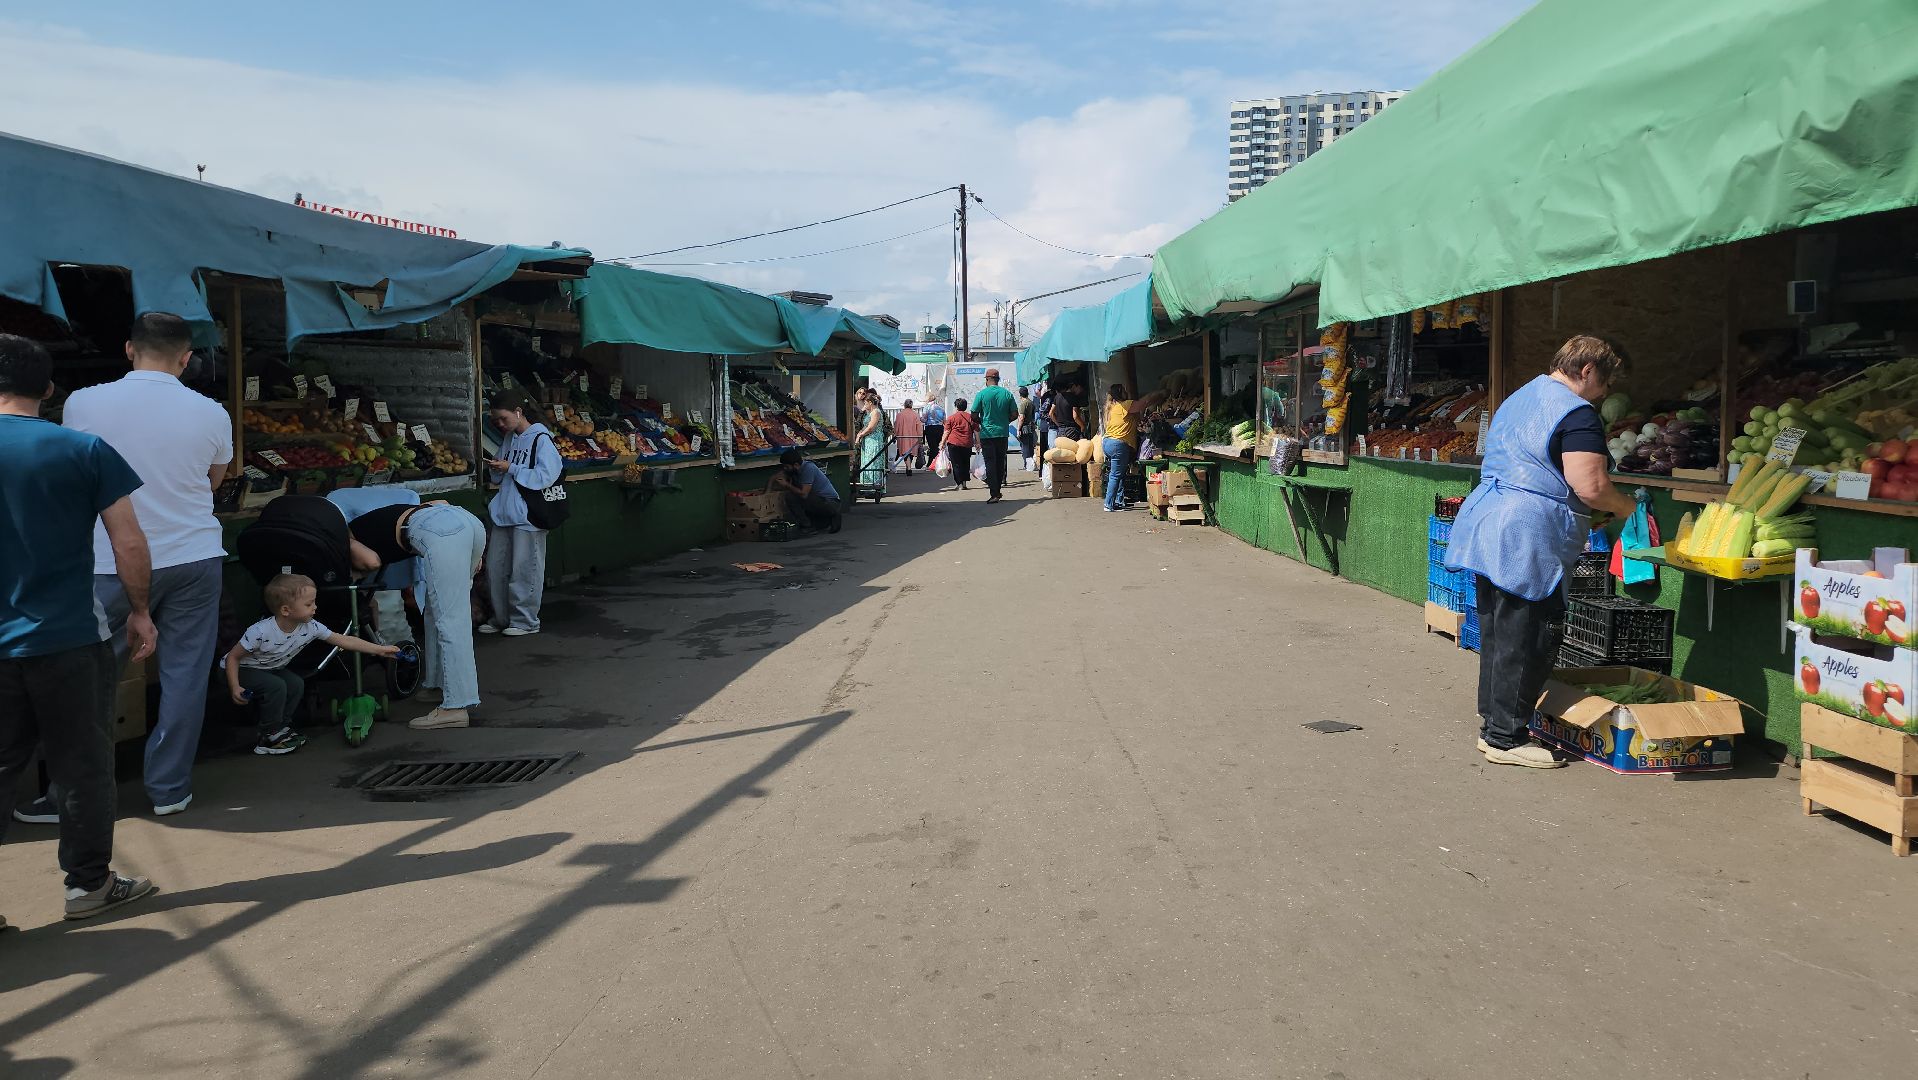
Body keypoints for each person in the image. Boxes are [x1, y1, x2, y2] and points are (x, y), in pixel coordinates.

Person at [0, 333, 159, 921]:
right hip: (69, 637)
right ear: (47, 389)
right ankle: (88, 886)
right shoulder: (84, 449)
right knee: (82, 765)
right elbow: (128, 539)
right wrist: (139, 610)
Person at [61, 312, 232, 817]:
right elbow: (215, 480)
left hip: (109, 560)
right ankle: (169, 788)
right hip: (194, 558)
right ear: (185, 359)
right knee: (185, 676)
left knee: (88, 678)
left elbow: (77, 472)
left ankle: (72, 796)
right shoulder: (211, 412)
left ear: (129, 349)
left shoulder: (81, 402)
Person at [1445, 335, 1641, 769]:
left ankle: (1493, 725)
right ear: (1588, 371)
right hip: (1527, 534)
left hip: (1489, 522)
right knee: (1529, 636)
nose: (1605, 393)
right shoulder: (1578, 413)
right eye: (1605, 383)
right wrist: (1628, 507)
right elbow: (1590, 485)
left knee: (1499, 631)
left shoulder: (1520, 396)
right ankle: (1506, 738)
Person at [345, 499, 488, 730]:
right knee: (437, 609)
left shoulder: (347, 538)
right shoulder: (378, 516)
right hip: (464, 519)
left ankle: (455, 706)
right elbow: (440, 501)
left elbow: (371, 562)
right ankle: (436, 684)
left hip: (441, 530)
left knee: (450, 619)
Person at [224, 573, 399, 756]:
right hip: (240, 669)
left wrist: (380, 649)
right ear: (286, 610)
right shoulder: (260, 631)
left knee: (295, 684)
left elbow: (344, 640)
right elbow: (233, 658)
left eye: (314, 602)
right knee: (276, 686)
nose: (315, 607)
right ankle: (268, 736)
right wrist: (235, 686)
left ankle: (280, 728)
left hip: (269, 669)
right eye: (308, 604)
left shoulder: (311, 627)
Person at [482, 393, 564, 637]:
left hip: (529, 515)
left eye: (503, 418)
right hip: (504, 513)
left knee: (525, 571)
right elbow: (501, 474)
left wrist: (511, 468)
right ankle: (501, 617)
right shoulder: (509, 438)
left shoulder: (541, 439)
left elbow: (546, 476)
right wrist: (496, 467)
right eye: (495, 420)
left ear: (518, 412)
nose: (500, 424)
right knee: (495, 569)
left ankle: (526, 621)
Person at [1100, 383, 1169, 512]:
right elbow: (1143, 403)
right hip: (1118, 444)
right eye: (1125, 390)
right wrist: (1160, 393)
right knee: (1116, 475)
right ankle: (1108, 504)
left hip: (1108, 443)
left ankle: (1118, 501)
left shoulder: (1112, 407)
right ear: (1121, 393)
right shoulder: (1125, 404)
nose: (1127, 392)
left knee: (1118, 474)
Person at [971, 368, 1018, 503]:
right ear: (998, 380)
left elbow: (974, 415)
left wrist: (982, 421)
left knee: (990, 463)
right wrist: (1004, 421)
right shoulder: (1007, 394)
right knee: (1000, 461)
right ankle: (997, 491)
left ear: (987, 380)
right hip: (1002, 433)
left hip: (987, 434)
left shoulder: (981, 394)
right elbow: (1015, 414)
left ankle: (995, 493)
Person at [769, 447, 842, 532]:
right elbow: (774, 478)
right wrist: (767, 492)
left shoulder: (808, 468)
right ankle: (807, 524)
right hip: (816, 500)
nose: (785, 469)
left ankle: (833, 514)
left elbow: (804, 494)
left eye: (787, 467)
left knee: (795, 496)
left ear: (795, 465)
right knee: (791, 497)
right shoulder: (792, 470)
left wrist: (787, 485)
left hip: (830, 502)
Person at [853, 388, 890, 496]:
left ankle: (875, 487)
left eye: (865, 403)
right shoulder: (869, 412)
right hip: (868, 441)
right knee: (867, 462)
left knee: (873, 462)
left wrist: (860, 435)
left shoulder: (876, 412)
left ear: (870, 402)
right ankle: (867, 486)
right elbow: (864, 425)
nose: (864, 404)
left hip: (874, 440)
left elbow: (871, 427)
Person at [943, 398, 977, 490]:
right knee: (966, 463)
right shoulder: (971, 417)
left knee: (956, 464)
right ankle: (964, 483)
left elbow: (946, 432)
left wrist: (942, 443)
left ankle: (959, 484)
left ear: (956, 406)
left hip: (954, 443)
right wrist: (978, 443)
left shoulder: (951, 418)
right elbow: (977, 431)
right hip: (967, 443)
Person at [892, 399, 924, 474]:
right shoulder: (915, 414)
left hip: (903, 436)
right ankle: (908, 467)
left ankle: (908, 467)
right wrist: (920, 436)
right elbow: (919, 426)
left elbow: (896, 426)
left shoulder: (899, 415)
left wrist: (895, 434)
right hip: (913, 436)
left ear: (904, 405)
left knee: (905, 452)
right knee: (911, 452)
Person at [1016, 386, 1038, 472]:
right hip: (1030, 427)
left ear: (1020, 394)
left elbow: (1021, 417)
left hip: (1024, 427)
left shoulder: (1023, 403)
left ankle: (1026, 465)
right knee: (1030, 446)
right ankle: (1031, 464)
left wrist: (1018, 429)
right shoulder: (1031, 402)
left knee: (1024, 447)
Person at [920, 399, 946, 469]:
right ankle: (936, 463)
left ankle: (931, 464)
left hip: (930, 428)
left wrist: (920, 419)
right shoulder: (941, 409)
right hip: (940, 428)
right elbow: (944, 421)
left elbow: (924, 419)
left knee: (932, 447)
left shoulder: (927, 407)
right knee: (936, 446)